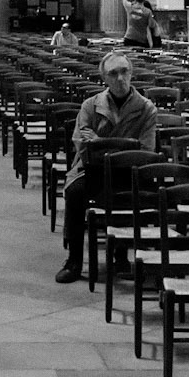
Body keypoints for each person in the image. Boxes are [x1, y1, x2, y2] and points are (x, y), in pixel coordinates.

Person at [55, 51, 158, 284]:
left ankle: (120, 255)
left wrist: (101, 144)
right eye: (113, 74)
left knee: (131, 195)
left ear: (131, 73)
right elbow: (82, 146)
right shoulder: (91, 106)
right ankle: (74, 261)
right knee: (74, 192)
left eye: (124, 72)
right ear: (105, 78)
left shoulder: (146, 109)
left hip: (129, 172)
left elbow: (145, 151)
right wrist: (123, 147)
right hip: (93, 170)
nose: (120, 78)